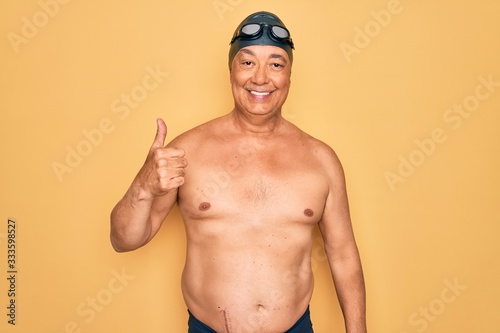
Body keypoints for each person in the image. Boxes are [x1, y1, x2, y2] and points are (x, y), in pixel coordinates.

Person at [110, 11, 366, 333]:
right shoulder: (187, 151)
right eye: (247, 62)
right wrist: (142, 187)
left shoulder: (322, 160)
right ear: (230, 69)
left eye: (276, 64)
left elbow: (343, 256)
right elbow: (124, 240)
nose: (260, 78)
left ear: (289, 75)